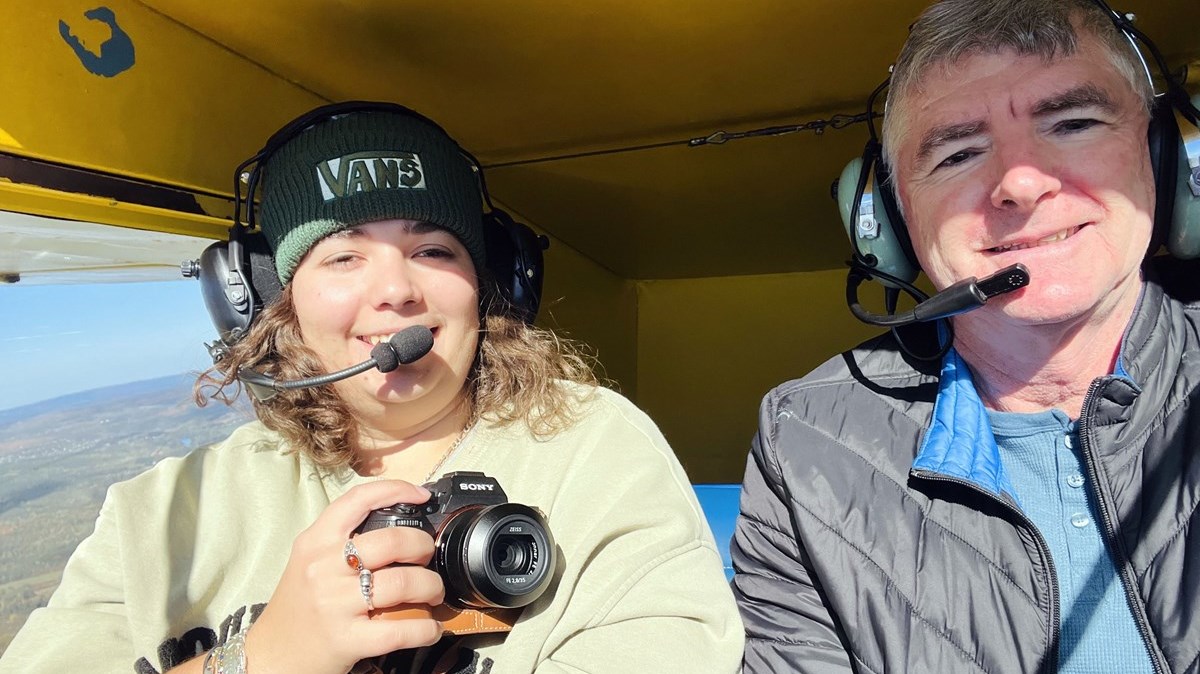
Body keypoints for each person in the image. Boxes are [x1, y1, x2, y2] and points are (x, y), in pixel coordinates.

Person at [1, 104, 743, 673]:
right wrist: (260, 660)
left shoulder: (592, 450)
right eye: (343, 257)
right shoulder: (157, 516)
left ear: (492, 286)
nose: (396, 290)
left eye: (432, 248)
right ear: (267, 302)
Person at [733, 1, 1200, 672]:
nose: (1021, 183)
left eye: (1072, 123)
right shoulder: (804, 441)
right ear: (892, 221)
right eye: (957, 153)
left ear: (1168, 157)